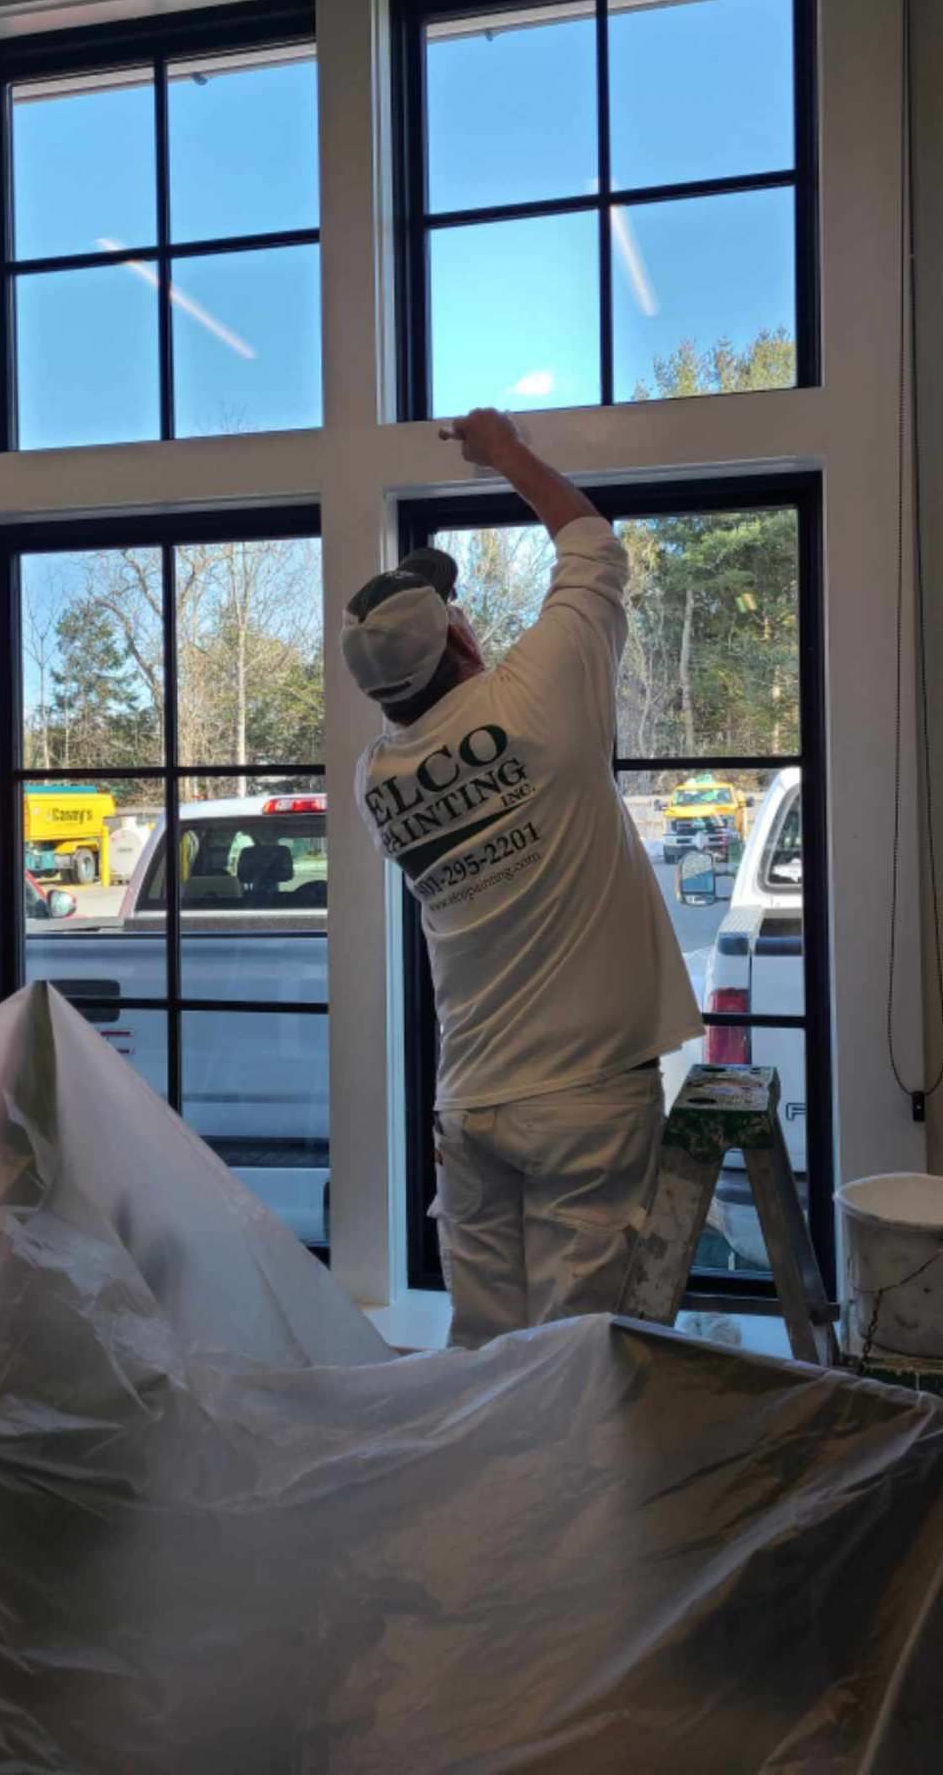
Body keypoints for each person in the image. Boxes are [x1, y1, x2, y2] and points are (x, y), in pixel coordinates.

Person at [341, 407, 700, 1348]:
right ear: (463, 642)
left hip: (471, 1104)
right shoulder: (539, 701)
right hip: (586, 1098)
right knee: (575, 1357)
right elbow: (591, 548)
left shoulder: (376, 779)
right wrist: (504, 454)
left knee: (485, 1351)